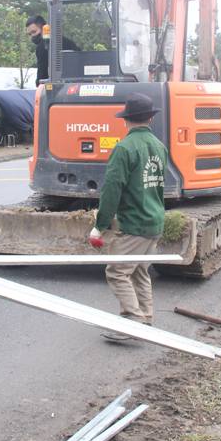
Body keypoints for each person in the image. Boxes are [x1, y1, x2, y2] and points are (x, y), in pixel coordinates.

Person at [87, 94, 167, 341]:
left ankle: (133, 320)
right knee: (139, 271)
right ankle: (146, 317)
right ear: (151, 117)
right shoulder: (158, 146)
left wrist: (99, 226)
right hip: (154, 220)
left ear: (126, 120)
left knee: (117, 271)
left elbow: (112, 190)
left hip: (135, 223)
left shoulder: (124, 148)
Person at [26, 15, 80, 83]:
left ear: (44, 28)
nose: (32, 36)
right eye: (30, 34)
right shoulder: (66, 41)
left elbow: (42, 73)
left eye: (34, 32)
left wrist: (38, 83)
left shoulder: (42, 47)